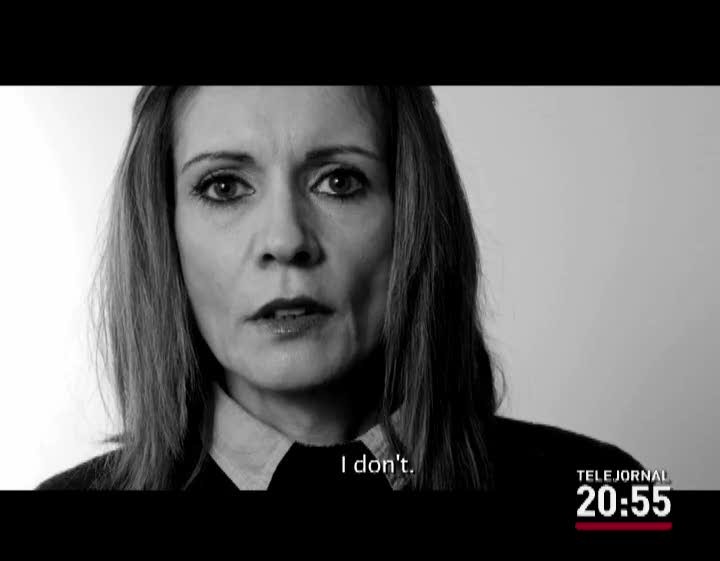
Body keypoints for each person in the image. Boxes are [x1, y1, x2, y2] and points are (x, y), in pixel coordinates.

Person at [37, 86, 643, 492]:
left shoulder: (604, 487)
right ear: (162, 230)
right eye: (224, 187)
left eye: (339, 181)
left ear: (412, 215)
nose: (286, 239)